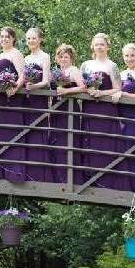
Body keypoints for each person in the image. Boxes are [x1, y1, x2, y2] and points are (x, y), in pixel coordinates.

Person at [79, 33, 123, 190]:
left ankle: (106, 180)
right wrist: (88, 90)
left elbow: (118, 88)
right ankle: (89, 177)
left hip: (106, 110)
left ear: (107, 47)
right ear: (92, 46)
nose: (99, 47)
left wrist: (101, 93)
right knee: (89, 140)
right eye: (96, 44)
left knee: (105, 142)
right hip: (89, 108)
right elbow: (81, 85)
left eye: (102, 44)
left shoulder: (112, 66)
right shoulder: (85, 65)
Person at [0, 27, 27, 182]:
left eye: (7, 37)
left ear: (13, 39)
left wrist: (15, 88)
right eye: (2, 36)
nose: (4, 39)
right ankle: (2, 172)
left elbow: (22, 76)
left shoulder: (16, 53)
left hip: (11, 99)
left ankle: (14, 173)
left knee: (12, 134)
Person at [111, 43, 135, 192]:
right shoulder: (121, 73)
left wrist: (123, 94)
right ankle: (122, 187)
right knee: (120, 149)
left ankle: (134, 190)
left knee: (131, 149)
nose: (129, 58)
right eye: (126, 55)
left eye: (132, 55)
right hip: (121, 116)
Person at [50, 44, 85, 184]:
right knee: (56, 142)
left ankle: (70, 181)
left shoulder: (74, 70)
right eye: (61, 56)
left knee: (68, 143)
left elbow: (83, 87)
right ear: (57, 58)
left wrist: (66, 91)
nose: (63, 59)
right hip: (55, 109)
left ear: (71, 58)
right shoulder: (56, 72)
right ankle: (58, 179)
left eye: (66, 57)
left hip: (69, 110)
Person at [23, 28, 52, 182]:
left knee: (38, 132)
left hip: (38, 99)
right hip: (26, 99)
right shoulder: (25, 58)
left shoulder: (45, 56)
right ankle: (28, 171)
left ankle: (40, 174)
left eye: (33, 38)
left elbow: (46, 81)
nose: (31, 41)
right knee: (26, 132)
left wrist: (33, 87)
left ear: (40, 39)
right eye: (28, 39)